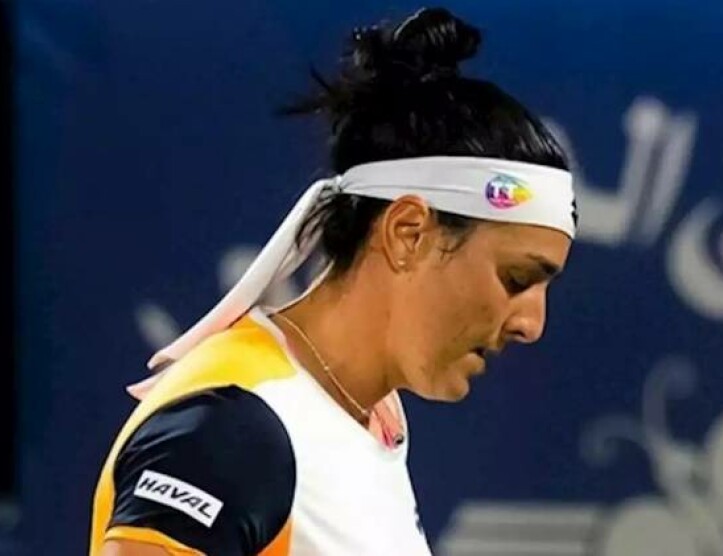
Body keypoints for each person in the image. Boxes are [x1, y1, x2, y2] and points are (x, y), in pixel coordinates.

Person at [89, 7, 576, 556]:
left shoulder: (368, 418)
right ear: (408, 232)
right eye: (516, 278)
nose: (532, 324)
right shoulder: (234, 428)